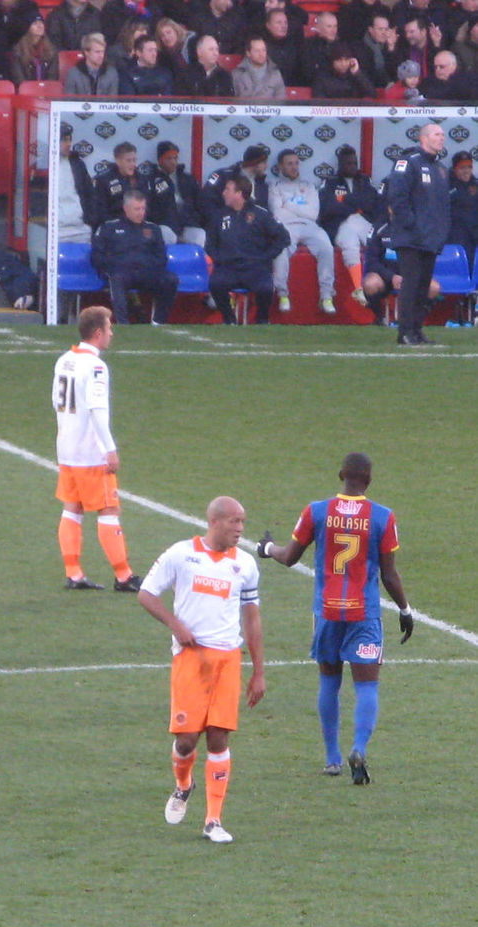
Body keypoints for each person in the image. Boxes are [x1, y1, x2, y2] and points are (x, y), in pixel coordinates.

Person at [256, 452, 413, 784]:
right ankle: (358, 747)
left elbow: (287, 557)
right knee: (367, 684)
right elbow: (389, 575)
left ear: (341, 474)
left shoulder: (317, 511)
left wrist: (266, 547)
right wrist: (404, 609)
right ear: (369, 480)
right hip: (364, 614)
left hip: (327, 612)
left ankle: (332, 758)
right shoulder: (383, 517)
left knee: (329, 682)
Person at [138, 495, 265, 844]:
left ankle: (213, 820)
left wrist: (258, 671)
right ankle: (183, 785)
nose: (240, 528)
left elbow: (252, 619)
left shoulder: (246, 564)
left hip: (228, 658)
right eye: (234, 521)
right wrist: (175, 624)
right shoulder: (181, 554)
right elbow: (146, 594)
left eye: (242, 522)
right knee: (186, 739)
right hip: (191, 658)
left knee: (219, 736)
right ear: (214, 522)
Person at [51, 305, 141, 591]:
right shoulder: (96, 366)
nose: (112, 333)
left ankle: (73, 573)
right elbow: (97, 410)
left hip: (66, 448)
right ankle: (124, 575)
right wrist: (109, 448)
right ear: (98, 333)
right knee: (109, 509)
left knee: (72, 509)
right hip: (90, 452)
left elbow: (56, 401)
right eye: (110, 328)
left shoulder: (64, 360)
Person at [387, 122, 449, 345]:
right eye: (436, 134)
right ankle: (404, 332)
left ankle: (416, 330)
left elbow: (442, 207)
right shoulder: (408, 162)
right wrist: (413, 226)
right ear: (424, 138)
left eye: (442, 134)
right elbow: (398, 198)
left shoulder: (440, 168)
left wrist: (441, 232)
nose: (441, 138)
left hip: (431, 239)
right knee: (411, 285)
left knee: (423, 287)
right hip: (411, 238)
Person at [206, 173, 290, 324]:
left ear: (239, 194)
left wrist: (266, 257)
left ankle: (262, 319)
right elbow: (210, 243)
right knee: (215, 284)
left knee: (265, 288)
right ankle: (229, 319)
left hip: (255, 267)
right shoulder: (218, 215)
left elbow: (283, 237)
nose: (223, 193)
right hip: (228, 267)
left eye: (227, 189)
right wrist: (219, 259)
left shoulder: (261, 214)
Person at [92, 189, 179, 325]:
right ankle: (123, 324)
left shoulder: (153, 229)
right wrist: (114, 265)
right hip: (121, 272)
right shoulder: (109, 228)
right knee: (117, 278)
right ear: (125, 208)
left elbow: (161, 257)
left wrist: (146, 265)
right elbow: (97, 256)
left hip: (147, 272)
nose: (141, 212)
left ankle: (158, 322)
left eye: (143, 208)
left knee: (171, 279)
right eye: (137, 209)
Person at [269, 148, 336, 315]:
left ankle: (326, 296)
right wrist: (300, 208)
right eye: (289, 164)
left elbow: (313, 214)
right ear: (280, 167)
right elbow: (277, 213)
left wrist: (289, 205)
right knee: (281, 249)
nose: (294, 167)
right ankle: (283, 294)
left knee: (327, 247)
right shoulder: (274, 186)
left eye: (296, 163)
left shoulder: (308, 186)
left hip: (309, 226)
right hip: (286, 226)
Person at [318, 144, 384, 303]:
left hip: (361, 223)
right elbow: (327, 208)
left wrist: (345, 199)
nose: (352, 167)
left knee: (377, 240)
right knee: (350, 241)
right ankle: (358, 288)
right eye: (348, 163)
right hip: (339, 225)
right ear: (340, 164)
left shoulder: (364, 180)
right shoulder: (330, 182)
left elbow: (371, 204)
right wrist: (355, 206)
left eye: (354, 163)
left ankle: (366, 286)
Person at [362, 207, 440, 325]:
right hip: (385, 276)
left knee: (434, 288)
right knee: (370, 284)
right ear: (389, 209)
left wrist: (409, 276)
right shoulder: (379, 228)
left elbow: (422, 258)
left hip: (409, 275)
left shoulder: (416, 229)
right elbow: (372, 261)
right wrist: (391, 277)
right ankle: (380, 317)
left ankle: (415, 319)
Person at [148, 140, 205, 248]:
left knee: (199, 234)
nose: (173, 162)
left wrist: (194, 219)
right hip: (165, 225)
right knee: (165, 233)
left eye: (175, 158)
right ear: (160, 160)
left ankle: (194, 264)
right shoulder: (151, 180)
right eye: (169, 158)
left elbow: (200, 203)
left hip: (187, 224)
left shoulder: (187, 178)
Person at [201, 144, 271, 222]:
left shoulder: (261, 183)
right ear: (256, 163)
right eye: (264, 162)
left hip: (253, 228)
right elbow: (207, 202)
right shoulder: (222, 176)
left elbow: (264, 209)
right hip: (225, 225)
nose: (266, 166)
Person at [93, 139, 152, 225]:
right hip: (115, 227)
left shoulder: (142, 179)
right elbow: (101, 212)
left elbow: (148, 207)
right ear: (118, 161)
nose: (133, 164)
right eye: (128, 160)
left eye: (134, 160)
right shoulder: (104, 180)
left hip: (140, 225)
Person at [57, 122, 96, 242]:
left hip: (80, 227)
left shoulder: (78, 164)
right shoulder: (45, 166)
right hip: (56, 229)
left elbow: (89, 194)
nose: (69, 144)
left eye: (69, 140)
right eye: (64, 140)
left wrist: (89, 221)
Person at [174, 33, 233, 97]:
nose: (215, 53)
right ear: (199, 52)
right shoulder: (185, 74)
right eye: (211, 49)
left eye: (217, 49)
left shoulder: (224, 75)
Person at [8, 14, 58, 86]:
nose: (40, 26)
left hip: (47, 92)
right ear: (27, 28)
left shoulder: (52, 50)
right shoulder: (18, 51)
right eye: (35, 23)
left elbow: (53, 77)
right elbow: (19, 79)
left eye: (41, 23)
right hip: (26, 92)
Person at [311, 42, 376, 98]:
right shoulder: (322, 78)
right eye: (339, 60)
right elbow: (319, 102)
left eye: (346, 59)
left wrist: (357, 73)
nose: (343, 64)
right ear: (332, 61)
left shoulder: (355, 76)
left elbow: (372, 94)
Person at [447, 151, 478, 266]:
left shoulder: (476, 185)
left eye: (469, 167)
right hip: (454, 240)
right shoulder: (445, 186)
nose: (466, 171)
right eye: (462, 168)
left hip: (474, 238)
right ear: (455, 169)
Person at [62, 30, 118, 94]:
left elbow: (112, 101)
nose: (101, 55)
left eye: (102, 51)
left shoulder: (111, 73)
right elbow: (69, 101)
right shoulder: (73, 74)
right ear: (86, 52)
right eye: (97, 52)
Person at [231, 33, 285, 98]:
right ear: (248, 53)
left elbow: (281, 101)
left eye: (264, 50)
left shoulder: (275, 74)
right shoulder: (237, 74)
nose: (261, 54)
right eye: (257, 51)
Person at [352, 12, 398, 86]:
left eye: (386, 29)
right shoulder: (360, 48)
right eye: (380, 29)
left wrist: (391, 48)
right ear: (370, 29)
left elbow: (395, 73)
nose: (384, 33)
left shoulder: (389, 45)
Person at [303, 10, 339, 82]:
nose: (333, 30)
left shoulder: (342, 46)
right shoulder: (308, 46)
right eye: (329, 26)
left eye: (335, 26)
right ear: (318, 28)